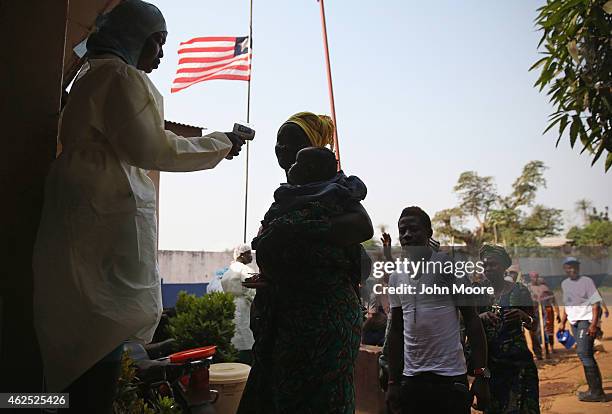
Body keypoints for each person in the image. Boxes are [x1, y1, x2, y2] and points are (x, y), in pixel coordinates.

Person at [31, 1, 248, 412]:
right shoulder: (120, 76)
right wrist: (221, 143)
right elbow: (154, 147)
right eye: (158, 43)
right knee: (99, 343)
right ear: (134, 38)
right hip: (100, 219)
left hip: (82, 217)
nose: (162, 55)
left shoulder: (95, 78)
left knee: (83, 336)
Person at [237, 113, 373, 414]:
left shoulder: (334, 191)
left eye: (292, 143)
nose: (282, 150)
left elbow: (362, 228)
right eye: (278, 143)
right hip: (284, 319)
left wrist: (293, 229)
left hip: (319, 322)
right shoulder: (288, 197)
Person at [386, 207, 490, 414]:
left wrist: (480, 375)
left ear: (429, 233)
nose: (407, 235)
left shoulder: (447, 267)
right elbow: (396, 330)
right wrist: (392, 381)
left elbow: (471, 320)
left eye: (413, 229)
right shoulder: (396, 277)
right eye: (402, 230)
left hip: (449, 378)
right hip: (412, 379)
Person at [479, 245, 540, 414]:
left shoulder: (519, 290)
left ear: (504, 266)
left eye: (493, 264)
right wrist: (481, 317)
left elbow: (533, 325)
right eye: (485, 265)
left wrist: (523, 315)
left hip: (519, 366)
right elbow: (464, 324)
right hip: (490, 367)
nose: (488, 269)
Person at [558, 257, 605, 402]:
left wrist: (593, 325)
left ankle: (597, 393)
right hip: (574, 322)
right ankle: (593, 389)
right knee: (585, 353)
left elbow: (596, 304)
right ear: (565, 268)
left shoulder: (586, 281)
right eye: (568, 267)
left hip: (586, 321)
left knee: (584, 353)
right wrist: (563, 321)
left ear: (578, 268)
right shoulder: (564, 283)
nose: (571, 269)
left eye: (574, 267)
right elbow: (568, 303)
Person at [221, 244, 256, 365]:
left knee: (235, 336)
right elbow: (253, 290)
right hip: (244, 307)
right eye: (248, 254)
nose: (251, 257)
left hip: (230, 306)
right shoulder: (245, 270)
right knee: (246, 336)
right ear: (242, 255)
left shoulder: (227, 272)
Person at [528, 271, 560, 356]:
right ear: (530, 278)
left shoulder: (545, 287)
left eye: (536, 277)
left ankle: (550, 347)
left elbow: (553, 300)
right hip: (535, 312)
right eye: (533, 277)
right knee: (537, 330)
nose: (535, 279)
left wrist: (557, 312)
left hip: (547, 311)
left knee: (548, 329)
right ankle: (540, 349)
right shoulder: (528, 288)